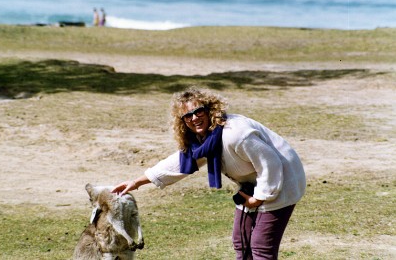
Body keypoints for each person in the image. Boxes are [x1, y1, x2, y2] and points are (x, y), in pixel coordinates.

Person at [112, 86, 306, 260]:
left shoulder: (236, 134)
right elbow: (179, 163)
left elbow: (270, 163)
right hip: (254, 184)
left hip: (282, 181)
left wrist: (260, 198)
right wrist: (137, 182)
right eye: (188, 115)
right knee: (241, 242)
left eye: (198, 111)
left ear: (210, 109)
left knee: (261, 247)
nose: (194, 118)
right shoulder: (204, 140)